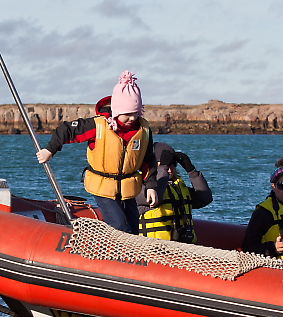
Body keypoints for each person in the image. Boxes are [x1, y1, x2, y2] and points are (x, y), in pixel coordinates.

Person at [36, 71, 157, 233]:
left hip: (128, 187)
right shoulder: (97, 126)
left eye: (135, 113)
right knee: (119, 225)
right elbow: (66, 130)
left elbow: (148, 160)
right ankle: (114, 255)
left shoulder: (144, 130)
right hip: (103, 187)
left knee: (134, 227)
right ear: (117, 111)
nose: (132, 118)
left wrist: (151, 186)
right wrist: (49, 150)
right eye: (127, 114)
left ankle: (131, 256)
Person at [136, 143, 212, 242]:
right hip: (153, 247)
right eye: (166, 165)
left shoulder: (178, 188)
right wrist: (163, 168)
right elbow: (155, 197)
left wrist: (192, 171)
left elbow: (205, 198)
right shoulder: (139, 186)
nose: (170, 170)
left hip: (181, 245)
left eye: (172, 165)